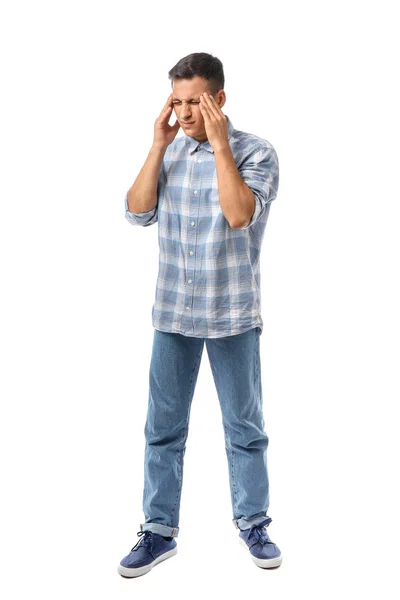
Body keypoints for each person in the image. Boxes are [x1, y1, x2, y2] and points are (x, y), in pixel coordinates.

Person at [118, 52, 282, 578]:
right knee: (162, 429)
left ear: (219, 99)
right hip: (172, 315)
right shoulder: (167, 150)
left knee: (244, 427)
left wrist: (217, 149)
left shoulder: (257, 152)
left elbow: (239, 215)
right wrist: (157, 145)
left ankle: (253, 523)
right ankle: (159, 531)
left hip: (233, 314)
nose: (184, 112)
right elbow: (136, 211)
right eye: (178, 101)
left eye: (195, 101)